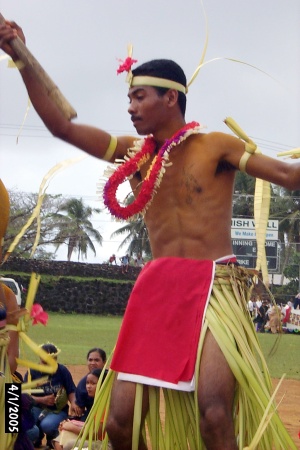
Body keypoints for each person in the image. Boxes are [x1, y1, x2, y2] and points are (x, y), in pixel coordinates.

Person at [0, 21, 298, 450]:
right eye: (128, 99)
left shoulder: (216, 145)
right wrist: (21, 57)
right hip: (157, 288)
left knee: (214, 414)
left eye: (139, 97)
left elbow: (288, 174)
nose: (130, 108)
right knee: (118, 424)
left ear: (170, 97)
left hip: (214, 286)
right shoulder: (131, 153)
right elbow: (62, 128)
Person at [24, 342, 79, 448]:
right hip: (36, 408)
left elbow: (71, 390)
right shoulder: (32, 371)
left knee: (47, 425)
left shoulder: (62, 371)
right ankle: (37, 437)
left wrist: (74, 403)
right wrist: (42, 400)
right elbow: (24, 395)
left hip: (57, 410)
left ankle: (53, 437)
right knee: (30, 428)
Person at [53, 368, 108, 450]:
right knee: (58, 441)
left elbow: (95, 435)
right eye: (87, 383)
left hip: (103, 442)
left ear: (102, 384)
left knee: (68, 445)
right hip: (94, 437)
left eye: (93, 383)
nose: (88, 386)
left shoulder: (104, 404)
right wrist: (72, 424)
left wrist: (71, 427)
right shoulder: (98, 401)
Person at [75, 348, 107, 420]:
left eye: (96, 360)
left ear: (104, 362)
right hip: (92, 417)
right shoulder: (82, 384)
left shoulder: (112, 380)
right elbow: (80, 408)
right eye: (90, 360)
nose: (92, 363)